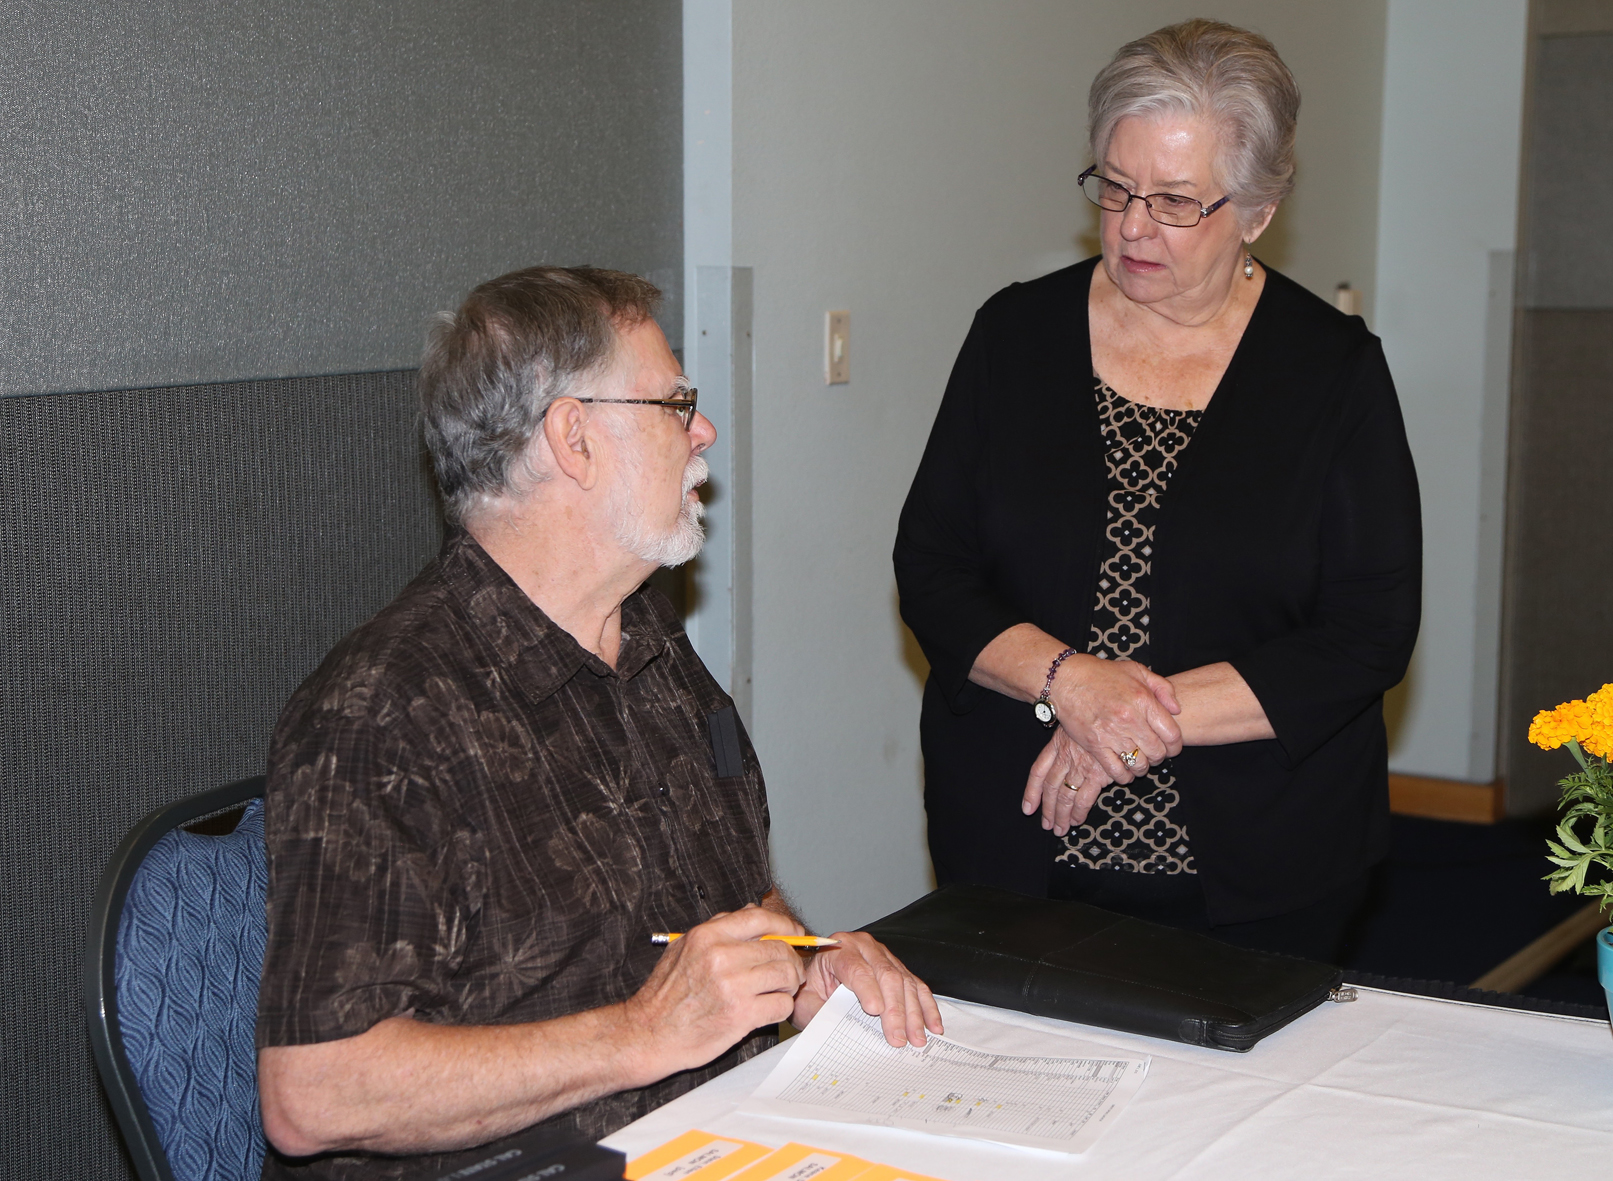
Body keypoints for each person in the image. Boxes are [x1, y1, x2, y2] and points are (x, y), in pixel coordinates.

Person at [256, 266, 940, 1179]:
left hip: (726, 1137)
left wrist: (802, 963)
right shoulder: (382, 717)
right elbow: (312, 1092)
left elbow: (727, 901)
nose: (703, 432)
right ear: (573, 439)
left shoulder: (651, 640)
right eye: (674, 403)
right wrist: (641, 1035)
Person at [893, 19, 1421, 962]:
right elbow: (932, 566)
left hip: (1266, 864)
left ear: (1256, 210)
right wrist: (1072, 683)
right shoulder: (1015, 337)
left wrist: (1120, 724)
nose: (1135, 226)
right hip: (1014, 844)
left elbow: (1368, 629)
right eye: (1117, 187)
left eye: (1177, 201)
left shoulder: (1331, 372)